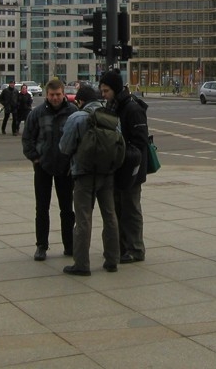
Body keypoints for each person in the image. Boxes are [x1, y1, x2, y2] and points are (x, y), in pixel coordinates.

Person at [59, 85, 120, 276]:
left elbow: (65, 147)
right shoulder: (110, 116)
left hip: (84, 174)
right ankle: (112, 260)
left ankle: (82, 264)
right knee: (110, 215)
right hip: (107, 173)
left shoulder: (76, 117)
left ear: (80, 101)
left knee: (83, 218)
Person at [21, 77, 78, 261]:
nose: (55, 98)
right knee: (42, 208)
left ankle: (69, 245)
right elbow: (27, 138)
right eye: (52, 95)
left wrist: (72, 161)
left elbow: (80, 138)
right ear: (47, 94)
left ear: (64, 94)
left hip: (65, 168)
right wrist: (35, 158)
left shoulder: (73, 112)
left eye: (58, 94)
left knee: (67, 209)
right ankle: (41, 246)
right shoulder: (37, 113)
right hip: (43, 167)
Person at [99, 69, 150, 264]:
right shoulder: (115, 105)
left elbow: (140, 142)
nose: (103, 95)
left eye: (106, 91)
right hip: (119, 167)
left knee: (130, 209)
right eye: (102, 91)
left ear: (115, 89)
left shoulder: (132, 108)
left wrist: (123, 154)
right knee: (118, 208)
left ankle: (136, 248)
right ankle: (121, 247)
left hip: (131, 169)